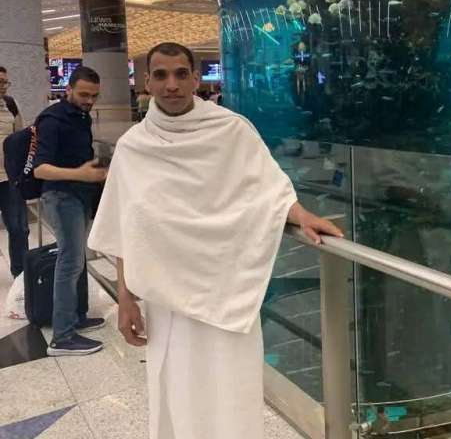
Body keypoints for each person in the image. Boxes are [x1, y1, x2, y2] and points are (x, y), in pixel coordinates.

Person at [87, 42, 343, 439]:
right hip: (166, 299)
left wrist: (302, 215)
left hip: (226, 290)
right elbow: (126, 228)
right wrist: (125, 298)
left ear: (195, 78)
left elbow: (269, 188)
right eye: (161, 75)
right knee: (177, 388)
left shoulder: (231, 130)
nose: (172, 85)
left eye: (180, 74)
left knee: (230, 391)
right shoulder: (134, 146)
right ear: (147, 82)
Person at [34, 66, 109, 356]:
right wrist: (81, 174)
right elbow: (40, 169)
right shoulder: (52, 120)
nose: (89, 100)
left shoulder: (81, 116)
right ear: (68, 89)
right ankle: (62, 337)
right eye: (83, 94)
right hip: (60, 197)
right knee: (70, 261)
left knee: (77, 260)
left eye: (94, 96)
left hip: (78, 195)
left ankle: (77, 316)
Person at [0, 67, 29, 278]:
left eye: (5, 82)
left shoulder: (10, 105)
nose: (3, 86)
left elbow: (20, 139)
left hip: (9, 178)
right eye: (0, 82)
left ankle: (21, 275)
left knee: (19, 228)